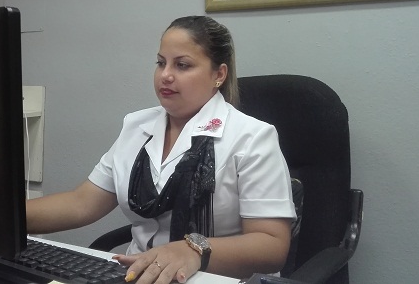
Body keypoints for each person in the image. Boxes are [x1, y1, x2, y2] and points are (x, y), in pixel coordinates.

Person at [27, 16, 296, 283]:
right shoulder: (136, 127)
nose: (165, 75)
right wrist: (7, 216)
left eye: (182, 65)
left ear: (219, 75)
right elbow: (82, 203)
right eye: (160, 63)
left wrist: (193, 249)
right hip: (138, 275)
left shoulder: (252, 137)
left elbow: (272, 246)